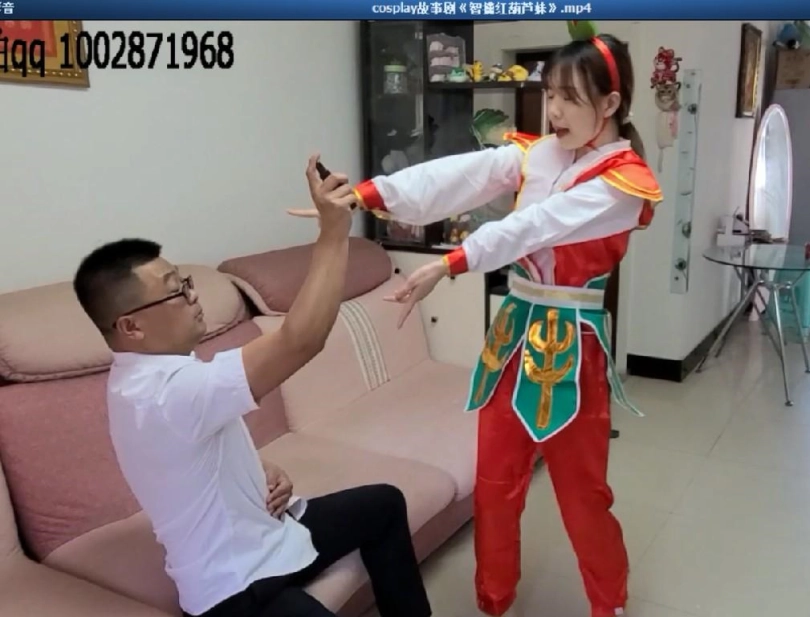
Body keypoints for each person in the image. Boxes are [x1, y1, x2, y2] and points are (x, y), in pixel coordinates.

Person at [291, 23, 663, 617]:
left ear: (611, 103)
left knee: (583, 496)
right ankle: (493, 599)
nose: (554, 111)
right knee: (494, 485)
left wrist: (452, 263)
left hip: (572, 348)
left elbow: (536, 226)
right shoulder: (540, 153)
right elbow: (457, 175)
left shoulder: (625, 182)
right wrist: (364, 195)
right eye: (550, 93)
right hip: (512, 336)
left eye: (570, 97)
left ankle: (608, 603)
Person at [72, 155, 432, 617]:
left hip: (274, 533)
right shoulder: (161, 392)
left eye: (185, 282)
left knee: (383, 504)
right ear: (132, 327)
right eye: (176, 290)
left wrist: (257, 468)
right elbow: (300, 340)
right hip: (234, 587)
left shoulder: (151, 374)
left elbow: (185, 454)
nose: (193, 296)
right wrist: (333, 233)